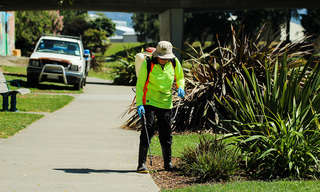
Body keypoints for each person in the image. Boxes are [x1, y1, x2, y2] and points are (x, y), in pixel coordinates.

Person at [135, 41, 185, 173]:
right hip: (149, 101)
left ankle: (167, 164)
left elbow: (180, 77)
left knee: (166, 134)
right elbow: (140, 84)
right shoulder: (148, 63)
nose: (164, 60)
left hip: (165, 102)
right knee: (147, 130)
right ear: (157, 55)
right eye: (162, 58)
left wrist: (181, 87)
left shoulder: (174, 62)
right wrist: (139, 103)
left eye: (166, 58)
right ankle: (141, 164)